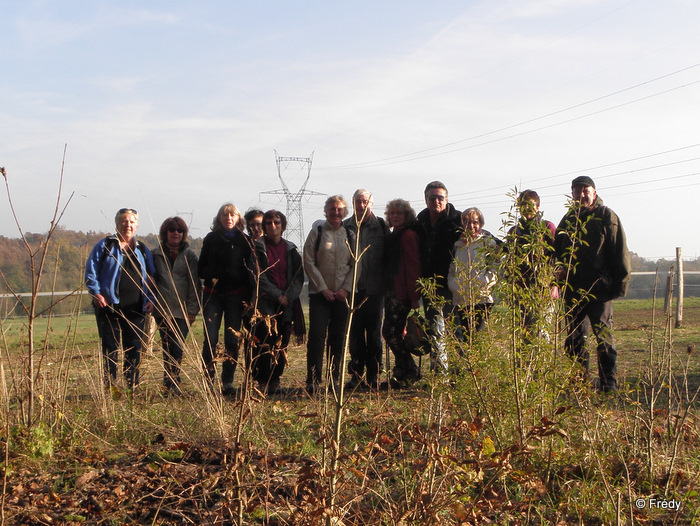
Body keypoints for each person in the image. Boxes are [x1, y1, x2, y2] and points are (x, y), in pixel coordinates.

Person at [554, 176, 631, 392]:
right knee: (575, 340)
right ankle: (579, 385)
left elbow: (620, 251)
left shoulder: (606, 215)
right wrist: (555, 280)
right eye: (577, 191)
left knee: (603, 338)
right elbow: (557, 252)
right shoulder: (568, 219)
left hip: (600, 290)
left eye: (585, 191)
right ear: (572, 195)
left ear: (594, 193)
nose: (581, 195)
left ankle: (609, 384)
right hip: (573, 291)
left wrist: (619, 285)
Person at [85, 208, 155, 391]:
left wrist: (151, 299)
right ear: (117, 224)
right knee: (111, 349)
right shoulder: (105, 245)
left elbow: (152, 278)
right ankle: (111, 389)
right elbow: (91, 273)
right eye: (124, 221)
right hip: (109, 306)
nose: (128, 225)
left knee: (134, 348)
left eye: (132, 222)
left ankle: (132, 386)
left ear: (137, 225)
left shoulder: (143, 250)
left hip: (136, 308)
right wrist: (97, 293)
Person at [302, 195, 356, 394]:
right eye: (332, 209)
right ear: (326, 211)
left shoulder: (349, 234)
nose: (336, 212)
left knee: (338, 338)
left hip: (342, 296)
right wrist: (323, 288)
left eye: (340, 209)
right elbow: (308, 261)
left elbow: (355, 265)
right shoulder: (317, 232)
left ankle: (335, 379)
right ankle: (313, 380)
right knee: (317, 336)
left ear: (345, 212)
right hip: (320, 295)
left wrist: (345, 289)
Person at [198, 203, 253, 396]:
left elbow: (249, 270)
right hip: (213, 296)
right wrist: (214, 275)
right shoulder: (211, 239)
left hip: (235, 298)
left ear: (238, 219)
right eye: (225, 215)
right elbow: (200, 267)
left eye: (232, 215)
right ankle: (207, 380)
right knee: (210, 339)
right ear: (219, 218)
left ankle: (227, 382)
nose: (228, 218)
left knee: (232, 340)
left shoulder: (245, 241)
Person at [249, 210, 304, 394]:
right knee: (264, 342)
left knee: (282, 342)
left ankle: (275, 379)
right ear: (264, 226)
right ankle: (262, 380)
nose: (273, 226)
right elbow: (259, 276)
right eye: (269, 222)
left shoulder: (291, 249)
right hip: (265, 303)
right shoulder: (258, 248)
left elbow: (298, 276)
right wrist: (277, 295)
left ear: (283, 225)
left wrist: (289, 296)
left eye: (277, 222)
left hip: (287, 304)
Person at [343, 189, 388, 391]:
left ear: (371, 203)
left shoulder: (382, 226)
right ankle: (356, 375)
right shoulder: (345, 227)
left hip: (375, 291)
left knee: (374, 336)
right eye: (357, 201)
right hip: (352, 291)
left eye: (365, 201)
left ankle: (373, 376)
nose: (361, 205)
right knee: (355, 336)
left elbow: (391, 255)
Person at [416, 181, 462, 373]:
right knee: (435, 331)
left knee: (455, 331)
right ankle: (439, 375)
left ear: (447, 199)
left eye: (440, 198)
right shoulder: (421, 220)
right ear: (426, 200)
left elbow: (479, 234)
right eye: (432, 198)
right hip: (429, 285)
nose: (436, 201)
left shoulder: (458, 219)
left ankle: (458, 374)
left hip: (451, 284)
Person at [151, 216, 201, 395]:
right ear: (165, 232)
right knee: (166, 347)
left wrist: (193, 310)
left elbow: (195, 284)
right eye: (172, 230)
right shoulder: (155, 254)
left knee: (177, 346)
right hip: (162, 309)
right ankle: (168, 383)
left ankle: (175, 382)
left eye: (180, 230)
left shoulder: (190, 256)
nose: (176, 233)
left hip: (182, 310)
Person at [505, 190, 558, 345]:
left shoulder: (547, 227)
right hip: (520, 291)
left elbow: (557, 257)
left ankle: (542, 367)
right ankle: (525, 368)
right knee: (523, 333)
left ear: (538, 207)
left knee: (541, 331)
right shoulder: (514, 232)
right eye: (523, 205)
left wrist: (554, 284)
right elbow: (509, 261)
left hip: (543, 290)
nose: (527, 209)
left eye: (530, 205)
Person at [382, 198, 424, 386]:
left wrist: (414, 296)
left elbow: (413, 267)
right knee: (395, 332)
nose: (395, 216)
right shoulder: (395, 234)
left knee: (390, 332)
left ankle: (410, 369)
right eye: (392, 213)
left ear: (407, 216)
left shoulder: (407, 236)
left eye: (399, 213)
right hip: (392, 291)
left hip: (402, 294)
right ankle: (402, 372)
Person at [448, 208, 500, 341]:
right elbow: (452, 268)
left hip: (482, 298)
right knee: (464, 339)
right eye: (467, 222)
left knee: (479, 339)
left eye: (475, 222)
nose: (471, 225)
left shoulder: (488, 243)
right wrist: (454, 285)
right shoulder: (457, 245)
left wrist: (486, 282)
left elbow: (496, 265)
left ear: (481, 223)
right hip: (461, 298)